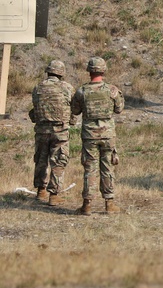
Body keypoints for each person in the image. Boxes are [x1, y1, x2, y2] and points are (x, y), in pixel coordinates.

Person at [70, 57, 125, 215]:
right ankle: (109, 204)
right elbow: (119, 109)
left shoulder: (82, 91)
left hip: (89, 135)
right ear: (103, 71)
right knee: (107, 168)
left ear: (89, 71)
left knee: (90, 169)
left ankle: (87, 205)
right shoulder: (112, 90)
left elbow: (75, 111)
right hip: (107, 135)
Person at [28, 60, 76, 206]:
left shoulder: (38, 88)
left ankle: (40, 191)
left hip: (41, 130)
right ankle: (53, 195)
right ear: (61, 73)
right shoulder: (67, 88)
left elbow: (34, 109)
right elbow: (73, 109)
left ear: (48, 72)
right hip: (60, 131)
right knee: (58, 161)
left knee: (41, 161)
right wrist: (71, 121)